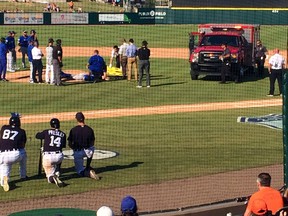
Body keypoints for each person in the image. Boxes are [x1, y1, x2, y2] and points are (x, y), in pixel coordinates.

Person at [67, 112, 100, 180]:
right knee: (92, 148)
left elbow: (69, 143)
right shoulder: (89, 129)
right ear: (84, 118)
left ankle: (88, 173)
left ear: (76, 119)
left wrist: (74, 149)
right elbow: (92, 143)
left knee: (79, 171)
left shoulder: (73, 130)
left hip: (78, 152)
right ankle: (88, 166)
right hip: (88, 152)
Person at [35, 118, 66, 188]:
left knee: (49, 178)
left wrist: (40, 134)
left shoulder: (46, 132)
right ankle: (57, 171)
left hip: (48, 158)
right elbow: (62, 146)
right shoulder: (63, 134)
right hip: (59, 157)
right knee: (60, 154)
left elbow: (37, 136)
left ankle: (52, 177)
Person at [0, 114, 27, 192]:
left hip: (1, 155)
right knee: (23, 153)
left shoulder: (4, 128)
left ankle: (4, 180)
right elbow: (23, 145)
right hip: (14, 155)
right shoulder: (21, 131)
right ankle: (23, 175)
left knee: (5, 167)